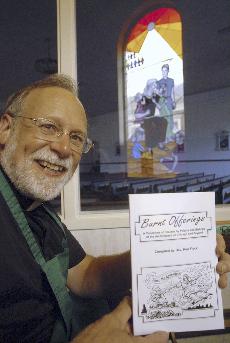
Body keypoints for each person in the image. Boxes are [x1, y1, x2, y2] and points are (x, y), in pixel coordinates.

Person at [0, 74, 229, 343]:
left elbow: (85, 273)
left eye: (76, 138)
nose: (63, 148)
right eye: (49, 126)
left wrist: (160, 257)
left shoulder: (38, 209)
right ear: (6, 128)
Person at [157, 64, 176, 140]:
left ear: (168, 71)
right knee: (164, 118)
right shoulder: (159, 82)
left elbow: (172, 92)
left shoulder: (171, 80)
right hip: (162, 101)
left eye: (165, 70)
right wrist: (161, 90)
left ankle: (170, 135)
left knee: (170, 118)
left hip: (169, 100)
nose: (164, 72)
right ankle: (165, 136)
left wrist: (173, 101)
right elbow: (158, 93)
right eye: (163, 70)